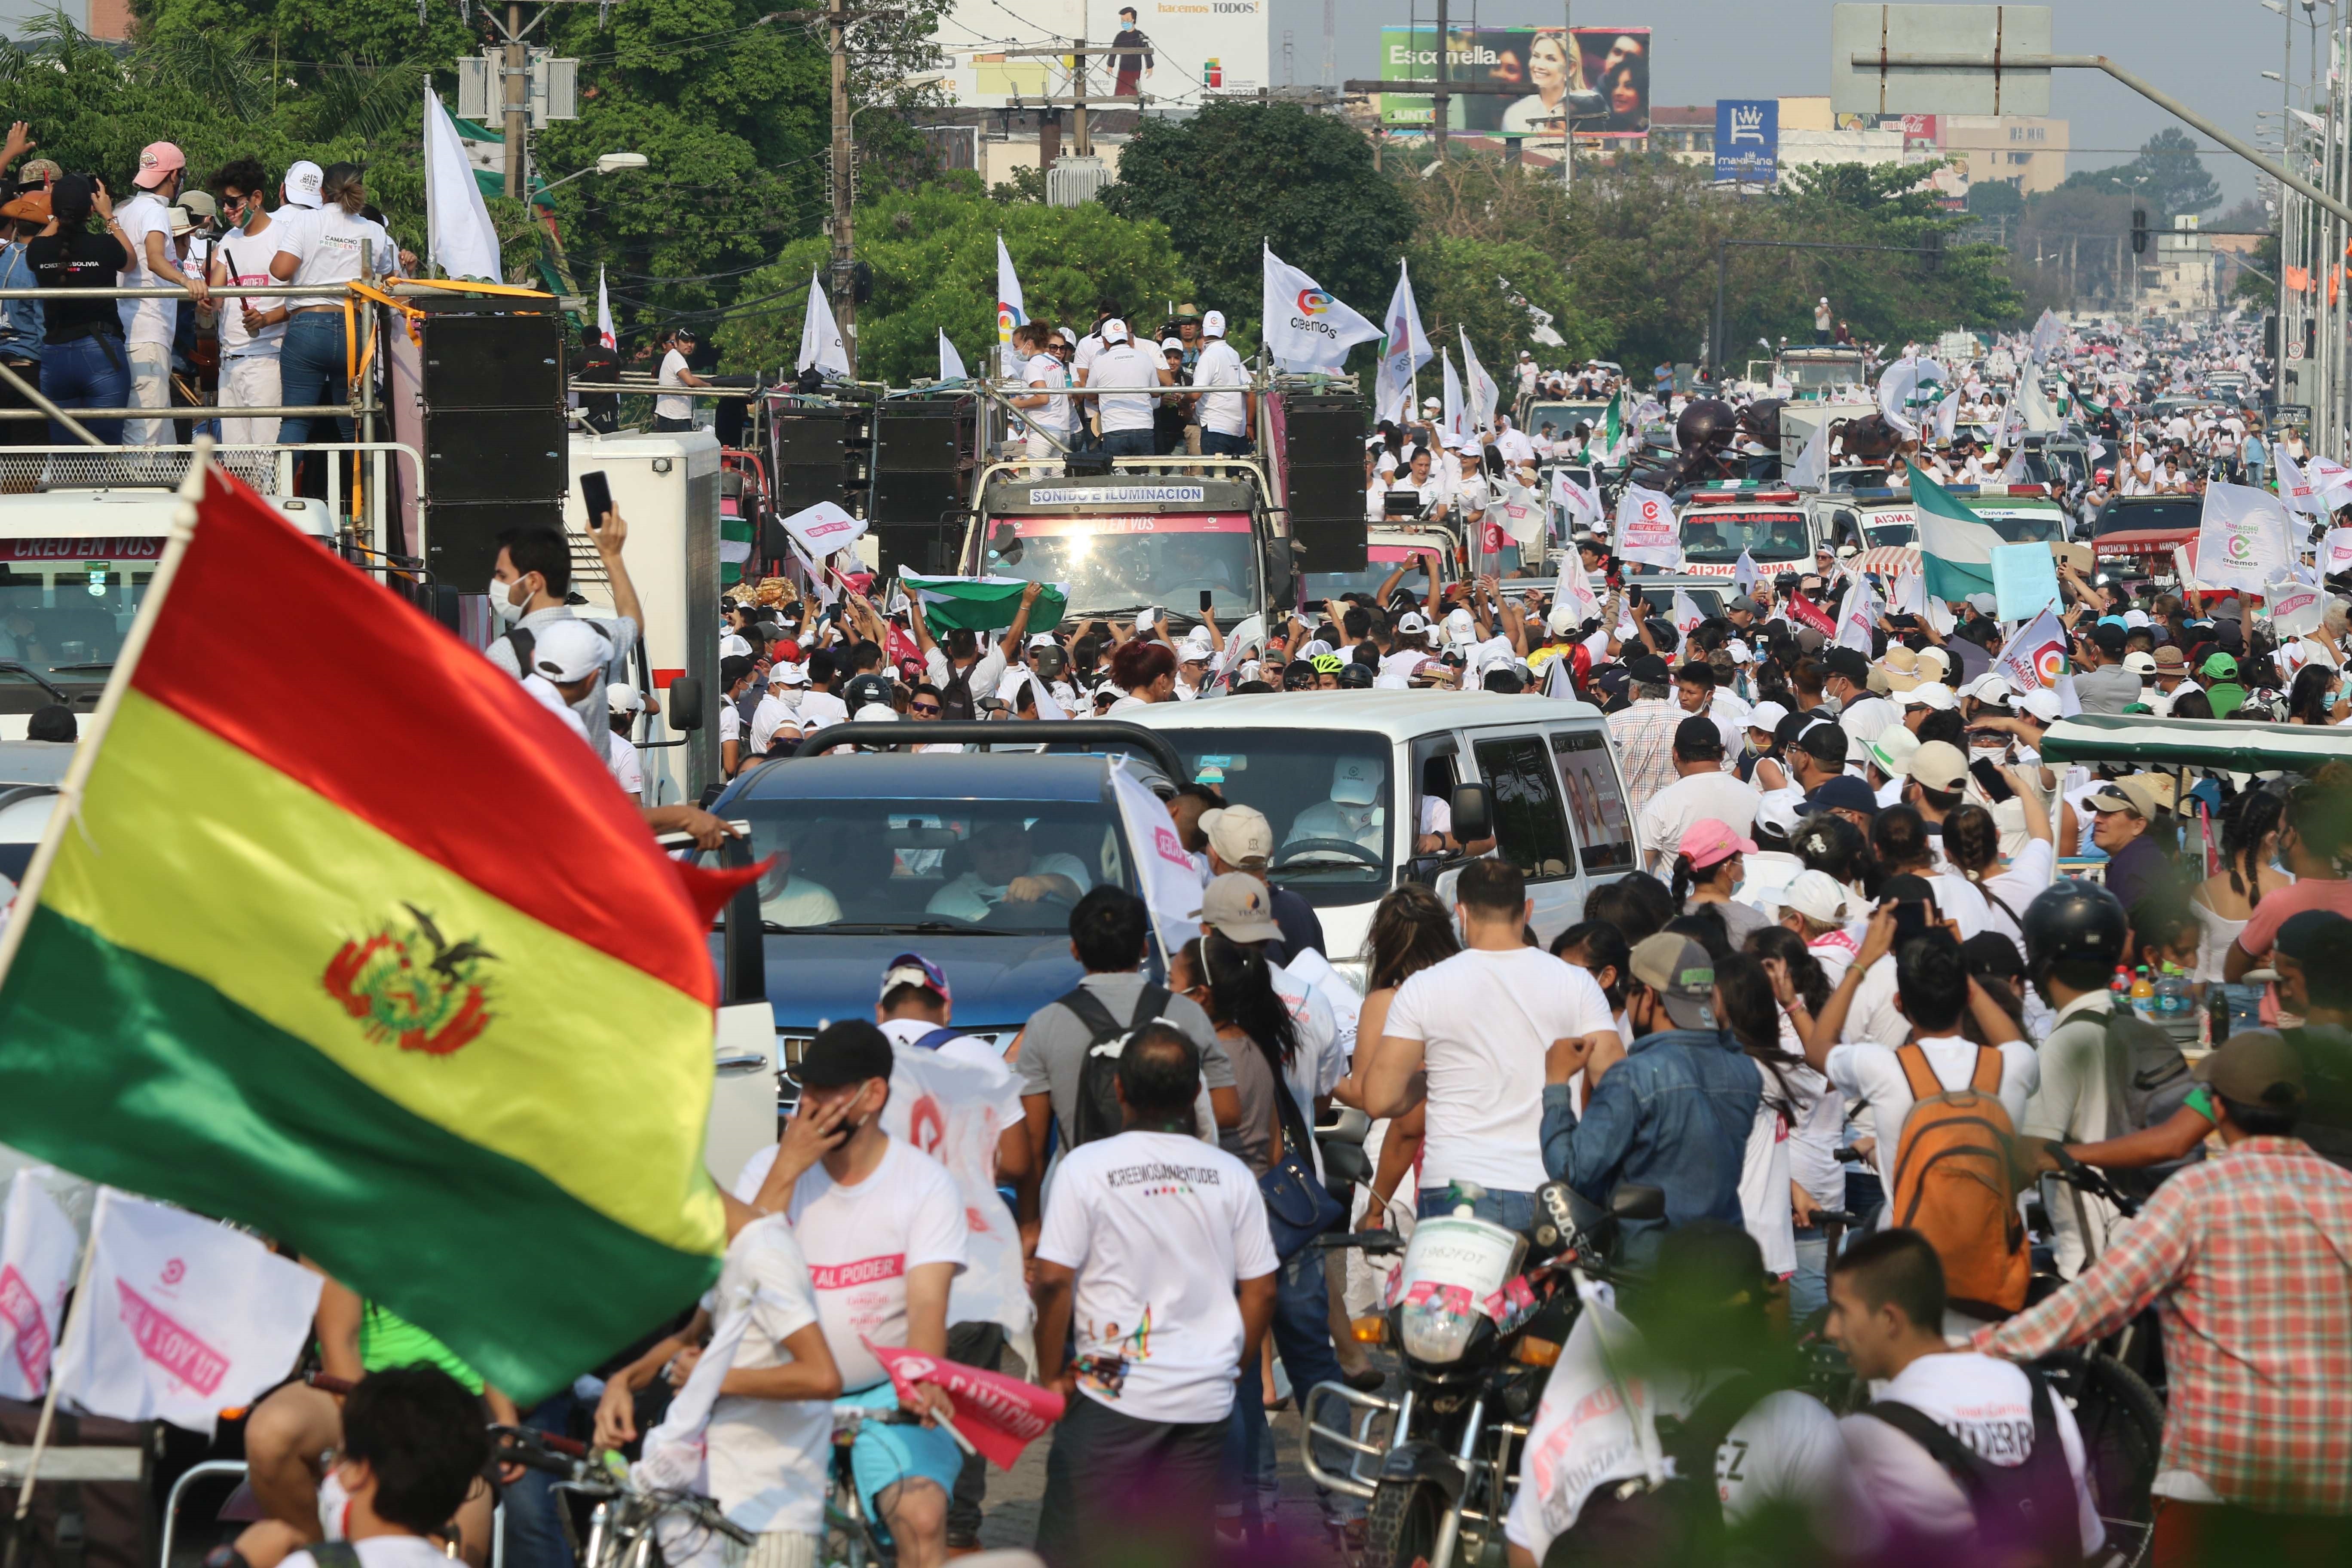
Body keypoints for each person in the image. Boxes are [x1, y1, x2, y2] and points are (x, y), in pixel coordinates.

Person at [1979, 1029, 2352, 1546]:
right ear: (2300, 1102)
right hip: (2329, 1486)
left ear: (2216, 1109)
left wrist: (1984, 1349)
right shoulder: (2344, 1195)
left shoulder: (2195, 1198)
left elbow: (2096, 1302)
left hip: (2217, 1484)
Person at [1030, 1023, 1276, 1568]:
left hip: (1109, 1387)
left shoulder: (1085, 1169)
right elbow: (1260, 1290)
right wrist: (1232, 1366)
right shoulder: (1230, 1175)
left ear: (1118, 1089)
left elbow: (1051, 1282)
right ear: (1195, 1094)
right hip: (1204, 1398)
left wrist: (1051, 1374)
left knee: (1075, 1548)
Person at [733, 1021, 968, 1568]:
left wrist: (921, 1377)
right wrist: (788, 1168)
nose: (810, 1105)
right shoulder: (765, 1171)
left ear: (874, 1095)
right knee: (774, 1545)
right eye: (806, 1090)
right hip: (782, 1387)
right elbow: (737, 1271)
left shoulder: (925, 1183)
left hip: (883, 1391)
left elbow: (929, 1304)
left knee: (923, 1518)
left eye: (828, 1092)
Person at [1358, 858, 1621, 1229]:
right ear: (1527, 910)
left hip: (1455, 1189)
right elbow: (1617, 1085)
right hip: (1551, 1190)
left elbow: (1379, 1099)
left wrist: (1432, 1080)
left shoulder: (1423, 988)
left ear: (1460, 913)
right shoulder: (1579, 985)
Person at [1828, 1230, 2105, 1562]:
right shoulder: (2038, 1394)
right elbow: (2088, 1542)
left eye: (1842, 1311)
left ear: (1889, 1319)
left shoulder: (1867, 1436)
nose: (1832, 1329)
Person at [1013, 887, 1242, 1246]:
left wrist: (1030, 1225)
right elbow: (1227, 1110)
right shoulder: (1187, 1014)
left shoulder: (1045, 1024)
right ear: (1144, 948)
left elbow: (1033, 1140)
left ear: (1075, 949)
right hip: (1175, 1205)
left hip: (1080, 1208)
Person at [1540, 931, 1761, 1265]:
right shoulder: (1745, 1072)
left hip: (1650, 1275)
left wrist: (1557, 1083)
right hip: (1722, 1263)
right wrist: (1722, 1025)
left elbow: (1570, 1172)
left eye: (1629, 991)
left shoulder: (1634, 1077)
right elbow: (1726, 1047)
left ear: (1647, 997)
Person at [268, 1365, 495, 1568]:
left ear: (359, 1471)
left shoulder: (310, 1565)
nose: (332, 1472)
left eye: (338, 1458)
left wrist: (240, 1560)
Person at [270, 163, 393, 450]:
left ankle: (283, 492)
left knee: (296, 422)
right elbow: (392, 282)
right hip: (355, 331)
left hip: (308, 329)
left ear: (322, 192)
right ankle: (367, 495)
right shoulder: (374, 231)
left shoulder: (307, 222)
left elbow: (281, 271)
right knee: (354, 424)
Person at [26, 175, 133, 444]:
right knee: (105, 448)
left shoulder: (39, 250)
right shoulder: (104, 244)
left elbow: (42, 242)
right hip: (101, 351)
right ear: (91, 209)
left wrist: (56, 216)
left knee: (65, 451)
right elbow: (130, 261)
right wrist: (109, 216)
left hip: (55, 355)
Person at [116, 141, 207, 447]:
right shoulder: (156, 213)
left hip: (130, 326)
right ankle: (141, 489)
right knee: (149, 426)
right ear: (174, 176)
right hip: (148, 327)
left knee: (152, 420)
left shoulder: (126, 210)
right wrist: (186, 281)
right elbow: (155, 259)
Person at [208, 159, 287, 447]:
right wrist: (206, 304)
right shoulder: (228, 240)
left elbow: (302, 300)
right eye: (222, 203)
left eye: (232, 202)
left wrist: (267, 320)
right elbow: (214, 298)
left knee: (267, 456)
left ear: (256, 198)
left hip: (268, 360)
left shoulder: (283, 238)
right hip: (229, 363)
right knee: (236, 462)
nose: (227, 210)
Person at [1638, 715, 1759, 875]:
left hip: (1678, 898)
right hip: (1741, 897)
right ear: (1722, 753)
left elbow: (1639, 871)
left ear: (1676, 754)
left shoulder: (1662, 804)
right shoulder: (1755, 798)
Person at [925, 817, 1089, 921]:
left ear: (1028, 843)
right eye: (989, 847)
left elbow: (1075, 889)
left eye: (1012, 844)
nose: (1002, 855)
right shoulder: (945, 902)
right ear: (971, 851)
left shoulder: (1060, 864)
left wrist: (1043, 884)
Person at [1608, 653, 1687, 819]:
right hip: (1675, 822)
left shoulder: (1613, 723)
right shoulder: (1688, 722)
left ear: (1635, 690)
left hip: (1628, 824)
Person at [1085, 319, 1167, 459]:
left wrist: (1107, 396)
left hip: (1114, 427)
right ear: (1126, 336)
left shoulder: (1099, 363)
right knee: (1143, 478)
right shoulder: (1145, 358)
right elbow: (1156, 392)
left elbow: (1089, 395)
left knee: (1118, 479)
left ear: (1105, 340)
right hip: (1144, 426)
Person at [1191, 310, 1252, 456]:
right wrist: (1250, 425)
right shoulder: (1234, 354)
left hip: (1215, 429)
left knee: (1215, 478)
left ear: (1203, 333)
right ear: (1225, 333)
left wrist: (1182, 399)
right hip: (1237, 429)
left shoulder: (1208, 357)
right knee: (1235, 478)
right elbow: (1252, 391)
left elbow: (1195, 395)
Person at [655, 327, 707, 432]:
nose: (689, 345)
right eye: (685, 341)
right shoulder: (676, 357)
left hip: (674, 418)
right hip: (674, 419)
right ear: (676, 343)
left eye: (692, 342)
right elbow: (690, 381)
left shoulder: (675, 357)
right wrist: (708, 385)